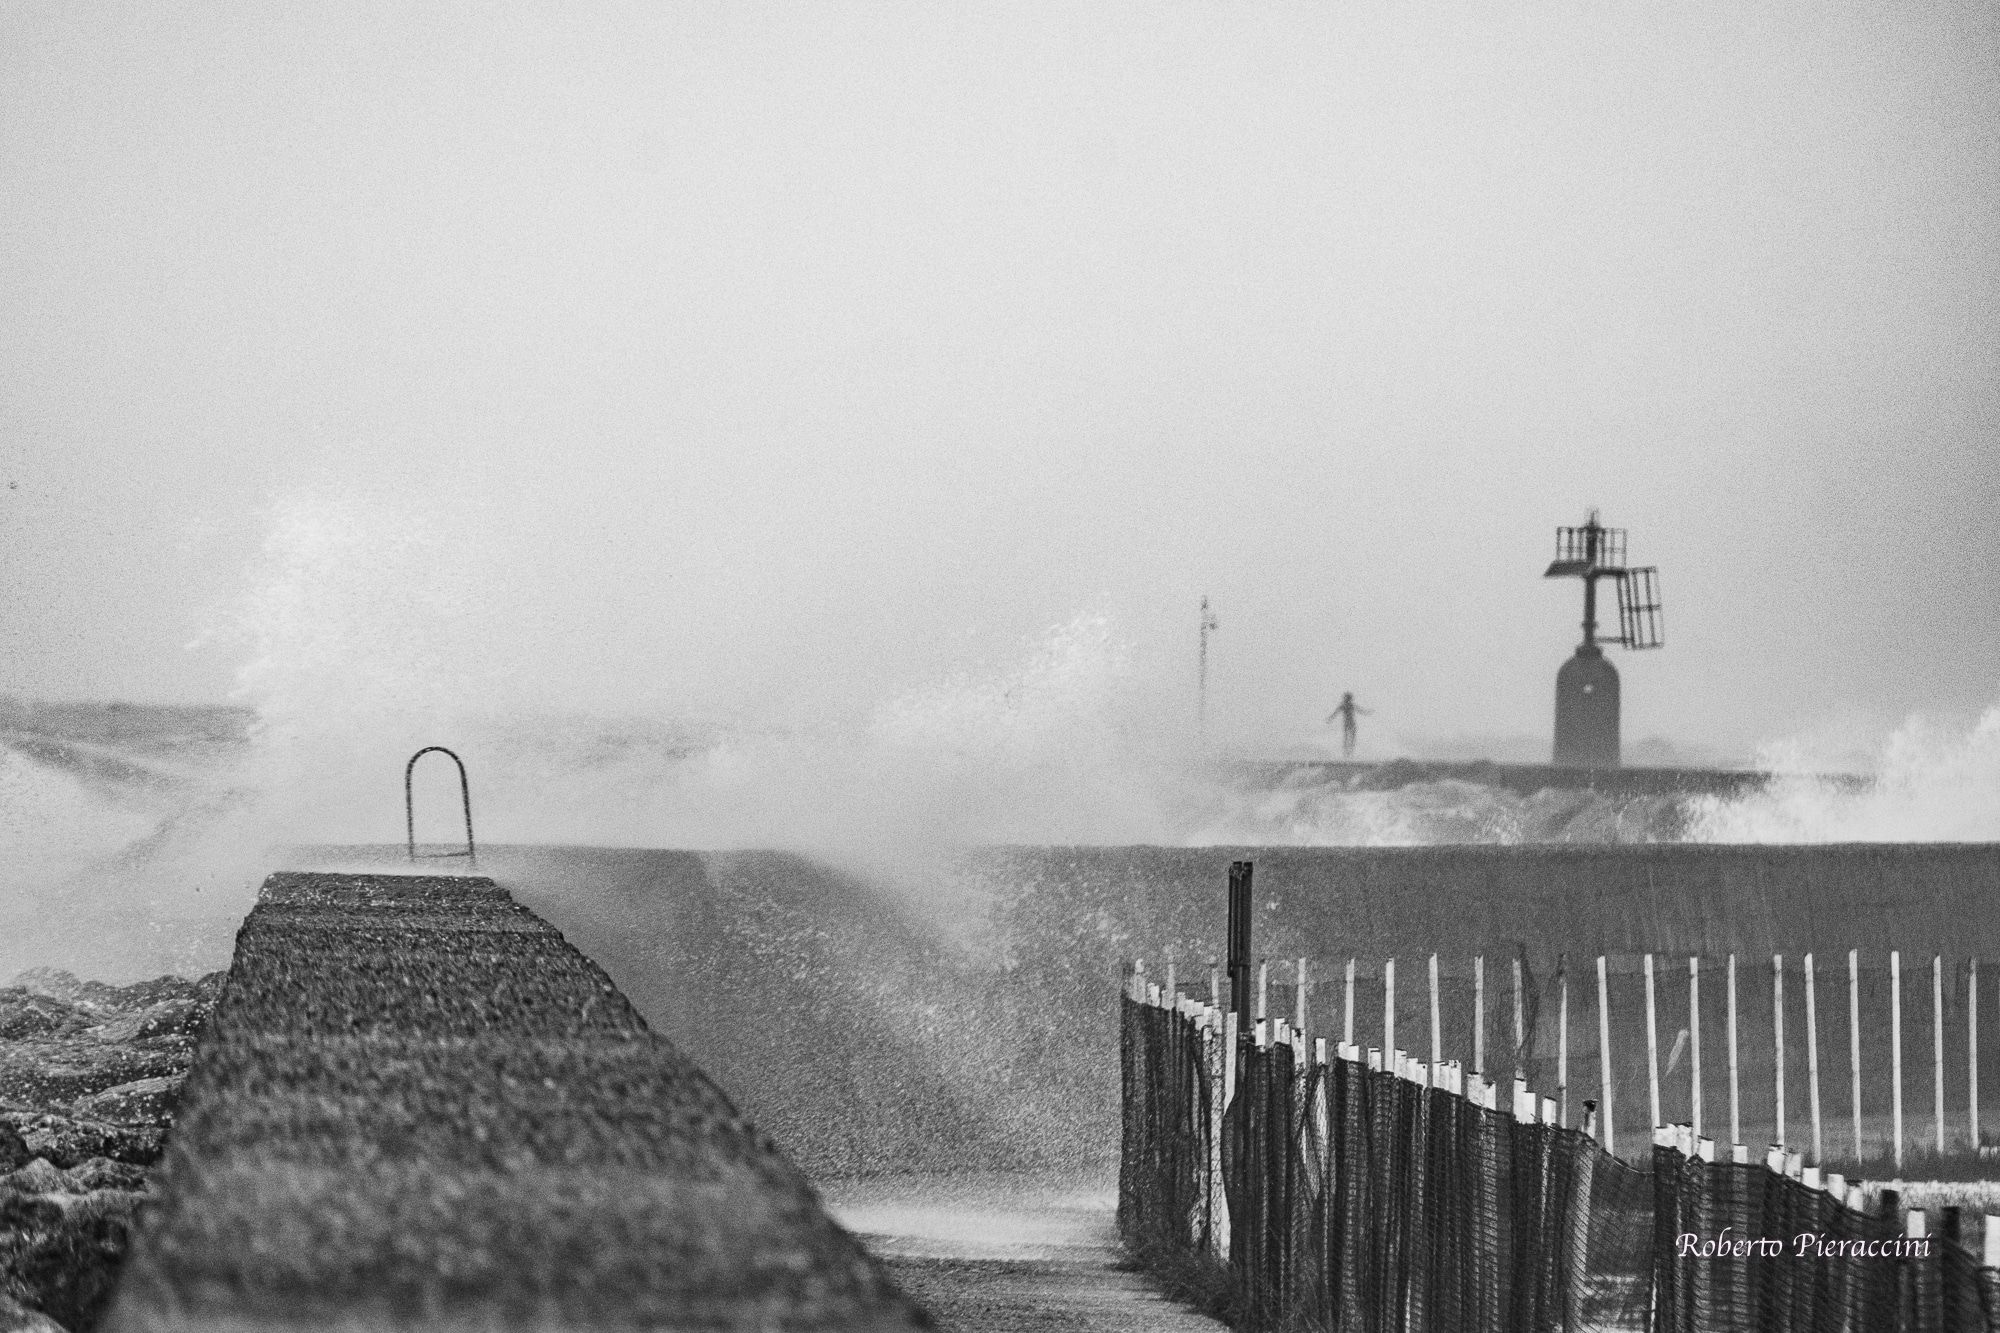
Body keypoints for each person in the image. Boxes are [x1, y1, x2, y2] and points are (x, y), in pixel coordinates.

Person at [1326, 692, 1371, 758]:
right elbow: (1361, 710)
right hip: (1350, 723)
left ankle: (1348, 752)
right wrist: (1367, 712)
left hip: (1348, 723)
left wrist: (1330, 718)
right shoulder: (1348, 705)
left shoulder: (1344, 705)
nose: (1348, 700)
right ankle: (1348, 752)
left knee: (1348, 738)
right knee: (1349, 738)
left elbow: (1335, 713)